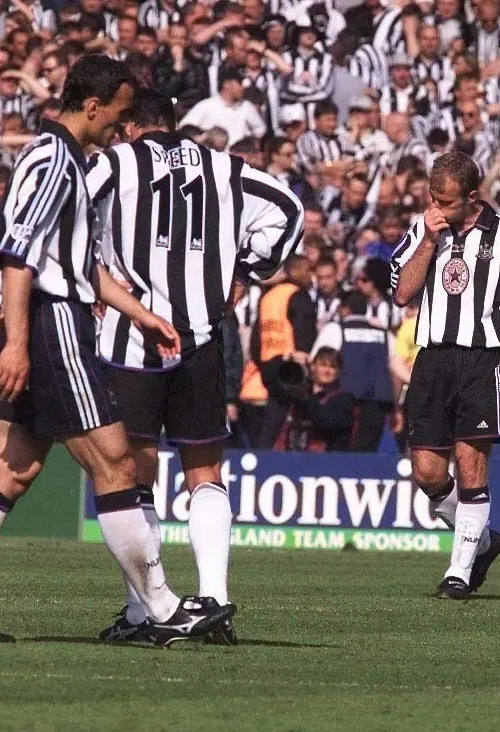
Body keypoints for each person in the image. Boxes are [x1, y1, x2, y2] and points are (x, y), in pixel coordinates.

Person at [0, 56, 234, 646]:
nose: (122, 127)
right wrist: (16, 343)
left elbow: (84, 265)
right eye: (118, 114)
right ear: (92, 107)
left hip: (53, 318)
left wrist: (142, 315)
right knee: (116, 461)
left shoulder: (73, 161)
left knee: (12, 470)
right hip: (51, 324)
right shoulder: (50, 159)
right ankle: (163, 608)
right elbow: (16, 255)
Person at [87, 88, 304, 644]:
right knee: (205, 473)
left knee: (129, 475)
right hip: (201, 337)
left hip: (133, 337)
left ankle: (144, 611)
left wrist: (85, 277)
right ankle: (215, 600)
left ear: (132, 124)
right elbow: (289, 211)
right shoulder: (224, 166)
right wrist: (246, 269)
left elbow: (72, 212)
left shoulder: (116, 161)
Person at [391, 151, 500, 600]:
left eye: (446, 201)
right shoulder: (424, 228)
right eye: (432, 197)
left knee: (472, 467)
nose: (437, 206)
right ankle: (483, 542)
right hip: (431, 360)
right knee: (429, 474)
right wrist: (429, 242)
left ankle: (459, 571)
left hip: (481, 360)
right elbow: (402, 294)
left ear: (472, 198)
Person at [309, 290, 409, 451]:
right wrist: (396, 408)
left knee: (339, 451)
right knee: (366, 454)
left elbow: (317, 362)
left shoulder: (335, 329)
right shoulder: (384, 334)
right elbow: (397, 369)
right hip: (377, 406)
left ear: (344, 309)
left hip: (342, 404)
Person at [251, 255, 318, 447]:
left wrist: (264, 363)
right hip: (292, 367)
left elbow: (256, 340)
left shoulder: (268, 297)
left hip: (269, 364)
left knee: (272, 421)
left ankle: (263, 456)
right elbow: (303, 329)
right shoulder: (297, 295)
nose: (310, 276)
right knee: (297, 421)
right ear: (295, 271)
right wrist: (304, 356)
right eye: (308, 271)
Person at [273, 347, 358, 451]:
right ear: (313, 366)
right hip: (289, 458)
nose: (327, 371)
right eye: (323, 365)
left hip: (325, 461)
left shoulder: (344, 399)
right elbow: (269, 381)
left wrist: (308, 398)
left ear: (339, 372)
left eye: (332, 367)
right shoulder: (297, 394)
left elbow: (326, 424)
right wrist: (286, 359)